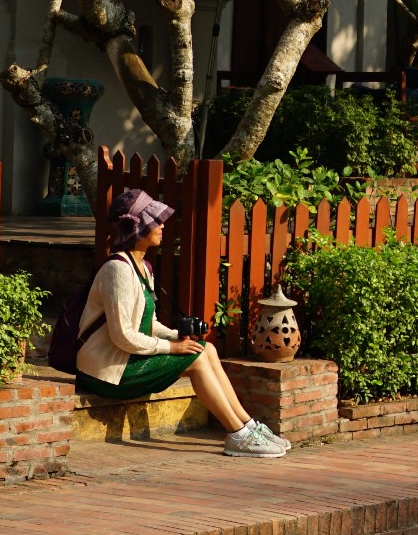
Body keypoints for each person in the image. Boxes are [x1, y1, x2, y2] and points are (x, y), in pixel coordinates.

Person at [79, 188, 290, 459]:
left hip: (126, 359)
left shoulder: (142, 267)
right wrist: (171, 349)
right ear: (138, 227)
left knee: (207, 349)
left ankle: (248, 426)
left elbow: (150, 323)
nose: (162, 225)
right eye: (155, 221)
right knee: (197, 360)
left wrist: (178, 337)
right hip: (107, 370)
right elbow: (123, 336)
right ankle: (237, 435)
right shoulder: (117, 269)